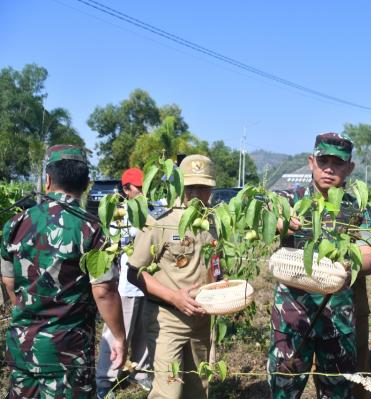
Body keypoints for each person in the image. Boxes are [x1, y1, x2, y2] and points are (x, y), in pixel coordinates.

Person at [0, 144, 127, 398]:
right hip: (68, 355)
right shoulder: (91, 230)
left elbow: (9, 283)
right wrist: (119, 337)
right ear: (86, 184)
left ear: (47, 180)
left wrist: (33, 316)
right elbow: (103, 291)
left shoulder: (15, 224)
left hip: (23, 350)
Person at [268, 132, 371, 399]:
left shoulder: (358, 209)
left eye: (338, 163)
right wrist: (282, 223)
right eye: (323, 160)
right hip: (292, 316)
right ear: (311, 162)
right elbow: (266, 219)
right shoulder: (289, 199)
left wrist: (344, 262)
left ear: (349, 167)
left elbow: (369, 254)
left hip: (336, 318)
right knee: (284, 388)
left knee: (337, 391)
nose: (329, 168)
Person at [127, 154, 216, 399]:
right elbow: (134, 273)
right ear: (179, 187)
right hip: (168, 319)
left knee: (198, 388)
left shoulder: (212, 221)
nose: (198, 193)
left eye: (204, 187)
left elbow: (214, 263)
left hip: (202, 319)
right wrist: (174, 297)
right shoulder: (161, 223)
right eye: (191, 187)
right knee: (169, 390)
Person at [96, 167, 152, 398]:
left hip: (148, 283)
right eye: (138, 187)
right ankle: (105, 378)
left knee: (144, 331)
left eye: (144, 186)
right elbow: (112, 246)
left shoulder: (152, 211)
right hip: (127, 285)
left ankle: (139, 372)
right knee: (118, 330)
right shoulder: (120, 214)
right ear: (126, 188)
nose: (142, 191)